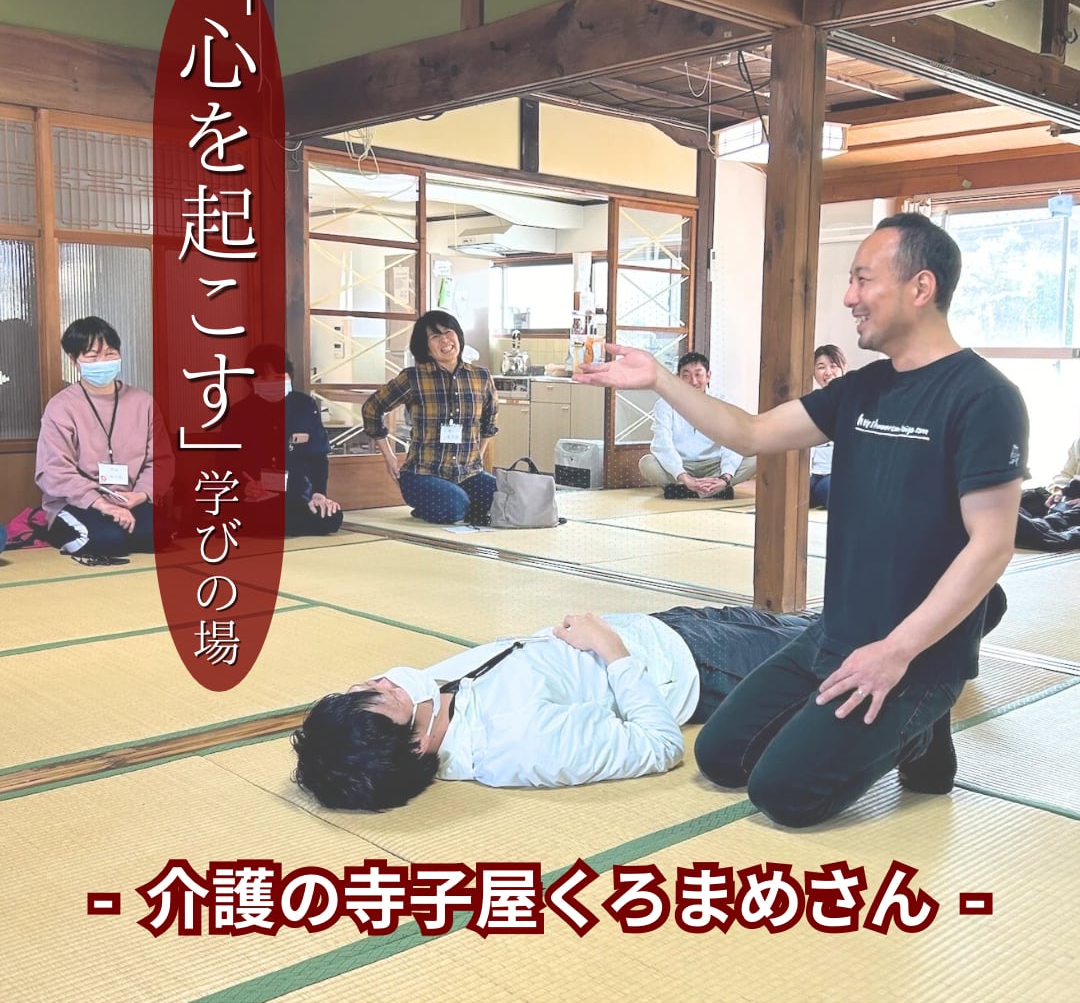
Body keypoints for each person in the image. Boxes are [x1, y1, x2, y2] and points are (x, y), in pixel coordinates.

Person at [575, 212, 1028, 828]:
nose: (849, 297)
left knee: (786, 796)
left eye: (863, 279)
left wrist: (895, 652)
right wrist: (657, 379)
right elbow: (751, 432)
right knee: (721, 757)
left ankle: (922, 718)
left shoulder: (985, 397)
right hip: (836, 632)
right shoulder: (861, 389)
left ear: (920, 287)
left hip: (913, 652)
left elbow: (993, 545)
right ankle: (914, 730)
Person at [292, 586, 1007, 811]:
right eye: (381, 695)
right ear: (417, 743)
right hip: (704, 670)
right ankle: (966, 621)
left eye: (366, 685)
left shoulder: (430, 700)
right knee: (859, 645)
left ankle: (965, 608)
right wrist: (610, 649)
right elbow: (658, 745)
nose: (384, 679)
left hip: (671, 627)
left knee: (838, 619)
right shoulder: (521, 746)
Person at [35, 316, 172, 564]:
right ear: (73, 360)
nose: (103, 362)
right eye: (92, 356)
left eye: (110, 353)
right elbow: (54, 470)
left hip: (128, 499)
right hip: (78, 502)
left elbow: (161, 460)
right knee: (106, 541)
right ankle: (68, 531)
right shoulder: (61, 407)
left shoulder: (143, 403)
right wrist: (101, 503)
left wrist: (140, 495)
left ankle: (117, 531)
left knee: (160, 535)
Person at [362, 310, 498, 525]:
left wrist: (476, 458)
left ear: (458, 335)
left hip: (468, 474)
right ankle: (447, 505)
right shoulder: (413, 377)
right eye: (435, 336)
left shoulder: (481, 377)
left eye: (448, 332)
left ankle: (456, 503)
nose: (444, 340)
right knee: (454, 506)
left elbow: (490, 422)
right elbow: (372, 408)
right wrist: (389, 457)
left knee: (504, 498)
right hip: (422, 474)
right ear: (425, 347)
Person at [223, 345, 343, 537]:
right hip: (257, 499)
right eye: (263, 379)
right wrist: (244, 487)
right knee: (251, 517)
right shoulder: (239, 413)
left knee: (332, 516)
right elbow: (226, 463)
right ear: (250, 381)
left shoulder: (305, 406)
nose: (272, 384)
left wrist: (319, 494)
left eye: (279, 378)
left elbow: (318, 457)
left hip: (298, 496)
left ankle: (282, 524)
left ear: (290, 377)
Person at [638, 351, 755, 500]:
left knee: (754, 458)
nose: (693, 382)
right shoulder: (665, 404)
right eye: (686, 376)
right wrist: (683, 476)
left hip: (714, 465)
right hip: (681, 465)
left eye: (698, 374)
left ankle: (691, 490)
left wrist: (725, 477)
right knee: (647, 463)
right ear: (678, 378)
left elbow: (733, 443)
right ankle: (708, 490)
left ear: (708, 376)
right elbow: (662, 443)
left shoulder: (723, 403)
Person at [1014, 434, 1080, 550]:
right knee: (1024, 499)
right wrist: (1058, 491)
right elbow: (1065, 475)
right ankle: (1038, 524)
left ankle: (1043, 526)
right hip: (1069, 497)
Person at [808, 344, 847, 509]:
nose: (828, 372)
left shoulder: (852, 400)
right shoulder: (811, 401)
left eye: (833, 366)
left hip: (836, 473)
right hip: (812, 473)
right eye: (821, 367)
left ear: (843, 368)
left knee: (828, 491)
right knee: (791, 495)